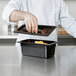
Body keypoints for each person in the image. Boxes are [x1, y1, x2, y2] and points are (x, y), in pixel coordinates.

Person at [2, 0, 76, 58]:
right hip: (25, 52)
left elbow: (70, 24)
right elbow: (6, 13)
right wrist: (24, 15)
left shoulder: (58, 2)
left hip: (49, 53)